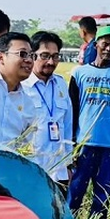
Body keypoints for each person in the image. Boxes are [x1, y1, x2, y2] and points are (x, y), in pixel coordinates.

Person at [68, 25, 110, 219]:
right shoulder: (79, 74)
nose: (109, 48)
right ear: (96, 45)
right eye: (105, 44)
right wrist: (71, 143)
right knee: (76, 188)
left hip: (109, 143)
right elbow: (73, 110)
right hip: (84, 141)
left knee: (103, 192)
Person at [22, 31, 74, 192]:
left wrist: (68, 165)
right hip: (31, 169)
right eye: (44, 55)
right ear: (32, 56)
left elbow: (68, 125)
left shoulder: (60, 84)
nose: (51, 61)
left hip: (59, 171)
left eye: (55, 56)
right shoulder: (21, 86)